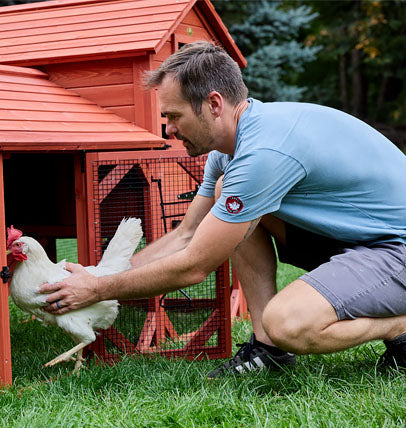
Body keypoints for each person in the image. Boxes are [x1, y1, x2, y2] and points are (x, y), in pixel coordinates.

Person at [40, 40, 406, 378]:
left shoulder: (263, 154)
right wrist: (100, 274)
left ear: (214, 104)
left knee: (289, 322)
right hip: (358, 239)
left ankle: (399, 325)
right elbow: (186, 236)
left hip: (395, 249)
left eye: (174, 115)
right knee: (222, 197)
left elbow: (195, 265)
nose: (168, 129)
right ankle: (268, 350)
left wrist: (99, 290)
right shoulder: (228, 150)